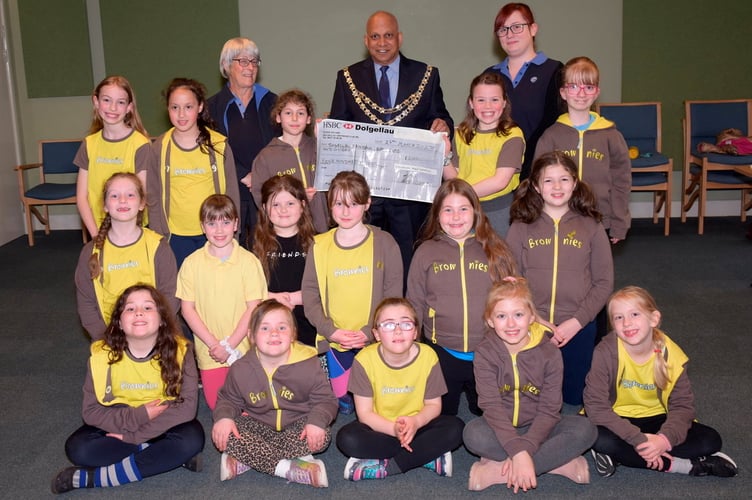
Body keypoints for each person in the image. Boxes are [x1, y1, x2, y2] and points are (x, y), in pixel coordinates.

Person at [329, 10, 454, 272]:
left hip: (410, 194)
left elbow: (441, 116)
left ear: (399, 38)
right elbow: (341, 128)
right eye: (375, 36)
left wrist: (443, 125)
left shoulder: (426, 75)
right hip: (366, 194)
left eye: (388, 36)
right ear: (366, 41)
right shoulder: (347, 77)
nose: (382, 42)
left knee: (411, 262)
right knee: (366, 262)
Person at [51, 285, 204, 494]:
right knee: (78, 448)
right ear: (120, 323)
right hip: (120, 423)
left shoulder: (181, 351)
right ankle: (162, 455)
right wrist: (139, 416)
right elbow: (91, 412)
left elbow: (186, 408)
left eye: (148, 308)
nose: (138, 312)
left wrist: (137, 436)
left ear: (162, 319)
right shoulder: (101, 356)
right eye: (130, 309)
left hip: (163, 424)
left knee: (192, 439)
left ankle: (93, 479)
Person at [584, 286, 738, 478]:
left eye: (634, 314)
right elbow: (596, 407)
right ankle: (685, 466)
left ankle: (620, 456)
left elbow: (682, 407)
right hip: (616, 419)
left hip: (657, 419)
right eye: (618, 317)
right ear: (612, 325)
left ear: (654, 318)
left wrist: (663, 441)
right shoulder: (605, 352)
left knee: (710, 440)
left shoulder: (672, 355)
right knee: (592, 436)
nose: (627, 323)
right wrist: (638, 439)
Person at [464, 277, 596, 492]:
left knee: (586, 429)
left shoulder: (549, 352)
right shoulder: (485, 352)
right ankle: (556, 464)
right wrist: (519, 450)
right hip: (500, 427)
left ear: (532, 317)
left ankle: (501, 471)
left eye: (518, 314)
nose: (511, 324)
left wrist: (523, 451)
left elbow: (550, 409)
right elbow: (491, 407)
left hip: (541, 426)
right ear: (490, 320)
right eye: (501, 316)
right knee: (472, 434)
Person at [506, 151, 613, 406]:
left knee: (575, 398)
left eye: (564, 179)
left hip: (578, 325)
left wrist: (576, 322)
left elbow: (604, 282)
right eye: (548, 180)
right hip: (532, 326)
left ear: (574, 183)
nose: (557, 187)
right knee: (533, 398)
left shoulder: (592, 226)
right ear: (535, 186)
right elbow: (511, 280)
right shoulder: (520, 226)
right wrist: (536, 319)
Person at [406, 178, 517, 416]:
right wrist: (412, 344)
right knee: (443, 415)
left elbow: (516, 300)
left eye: (463, 209)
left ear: (475, 212)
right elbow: (414, 301)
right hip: (443, 352)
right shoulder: (426, 252)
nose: (456, 217)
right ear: (437, 215)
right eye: (448, 210)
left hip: (489, 352)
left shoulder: (495, 250)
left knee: (489, 413)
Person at [302, 170, 403, 414]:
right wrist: (332, 331)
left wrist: (370, 331)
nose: (345, 212)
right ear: (329, 205)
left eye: (354, 204)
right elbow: (310, 296)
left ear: (367, 203)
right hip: (336, 340)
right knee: (345, 405)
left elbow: (393, 296)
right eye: (338, 204)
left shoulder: (385, 242)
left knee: (377, 404)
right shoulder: (319, 244)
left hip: (375, 338)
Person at [211, 299, 337, 487]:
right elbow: (228, 400)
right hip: (258, 424)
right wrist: (223, 418)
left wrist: (316, 423)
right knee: (227, 433)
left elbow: (326, 400)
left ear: (293, 334)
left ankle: (248, 458)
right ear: (251, 336)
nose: (274, 333)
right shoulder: (240, 369)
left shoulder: (309, 363)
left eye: (282, 328)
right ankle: (288, 469)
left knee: (323, 435)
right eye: (265, 328)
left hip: (298, 424)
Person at [337, 297, 464, 481]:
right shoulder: (364, 360)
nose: (397, 330)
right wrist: (394, 429)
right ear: (377, 334)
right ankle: (426, 457)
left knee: (456, 427)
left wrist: (415, 422)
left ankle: (391, 466)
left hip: (419, 426)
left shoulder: (428, 356)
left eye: (406, 324)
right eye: (388, 325)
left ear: (415, 332)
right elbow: (365, 414)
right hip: (380, 427)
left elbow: (434, 405)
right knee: (347, 438)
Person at [177, 194, 267, 410]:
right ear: (202, 226)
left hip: (244, 350)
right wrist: (215, 345)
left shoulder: (248, 261)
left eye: (226, 222)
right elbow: (187, 309)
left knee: (252, 406)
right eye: (211, 223)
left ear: (236, 224)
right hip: (211, 353)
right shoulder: (191, 264)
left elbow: (254, 306)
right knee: (219, 406)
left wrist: (230, 344)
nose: (219, 230)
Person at [535, 56, 631, 243]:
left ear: (596, 93)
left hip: (600, 221)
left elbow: (622, 182)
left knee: (598, 271)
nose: (581, 94)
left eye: (588, 87)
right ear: (563, 92)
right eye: (573, 86)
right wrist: (540, 219)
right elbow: (538, 180)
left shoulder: (611, 135)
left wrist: (620, 222)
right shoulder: (551, 136)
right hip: (559, 220)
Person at [148, 77, 241, 267]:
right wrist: (158, 235)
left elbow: (232, 192)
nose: (181, 114)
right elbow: (153, 195)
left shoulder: (219, 145)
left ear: (199, 107)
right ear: (168, 109)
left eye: (188, 107)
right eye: (175, 107)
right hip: (175, 236)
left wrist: (233, 234)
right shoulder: (159, 147)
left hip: (214, 234)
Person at [75, 172, 178, 341]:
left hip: (155, 334)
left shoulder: (158, 247)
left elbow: (170, 296)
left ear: (142, 203)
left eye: (130, 195)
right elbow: (86, 303)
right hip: (110, 336)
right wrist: (106, 338)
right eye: (114, 195)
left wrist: (153, 333)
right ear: (105, 205)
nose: (122, 200)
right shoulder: (91, 252)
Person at [208, 37, 280, 249]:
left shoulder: (273, 102)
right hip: (231, 193)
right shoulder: (211, 108)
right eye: (243, 61)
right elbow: (211, 150)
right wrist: (242, 174)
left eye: (254, 61)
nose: (250, 67)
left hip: (268, 191)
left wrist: (258, 174)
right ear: (226, 65)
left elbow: (281, 144)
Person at [484, 3, 563, 181]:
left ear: (533, 29)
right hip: (495, 174)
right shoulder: (488, 76)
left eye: (517, 27)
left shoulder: (555, 71)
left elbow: (555, 125)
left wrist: (527, 163)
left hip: (541, 172)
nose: (509, 34)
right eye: (502, 29)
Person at [444, 72, 525, 236]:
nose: (487, 106)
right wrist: (444, 157)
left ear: (504, 103)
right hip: (465, 212)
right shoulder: (460, 133)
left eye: (494, 100)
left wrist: (461, 197)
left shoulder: (513, 135)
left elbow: (500, 181)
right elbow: (454, 178)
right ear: (471, 103)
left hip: (500, 211)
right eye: (481, 100)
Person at [75, 75, 151, 238]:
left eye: (121, 102)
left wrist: (125, 237)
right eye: (107, 100)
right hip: (98, 229)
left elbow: (141, 196)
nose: (113, 108)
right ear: (96, 102)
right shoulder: (89, 144)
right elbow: (82, 197)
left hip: (132, 231)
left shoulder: (140, 144)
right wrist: (96, 235)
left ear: (129, 107)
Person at [252, 175, 319, 350]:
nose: (283, 210)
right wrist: (273, 298)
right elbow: (243, 287)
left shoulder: (319, 243)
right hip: (269, 332)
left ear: (303, 205)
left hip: (311, 330)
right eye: (275, 204)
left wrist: (298, 297)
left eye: (290, 203)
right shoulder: (252, 244)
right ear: (265, 208)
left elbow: (329, 287)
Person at [251, 89, 329, 233]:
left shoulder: (319, 148)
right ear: (278, 117)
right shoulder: (266, 157)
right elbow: (260, 196)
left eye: (300, 113)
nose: (294, 118)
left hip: (320, 227)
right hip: (286, 231)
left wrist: (325, 140)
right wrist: (294, 198)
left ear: (309, 119)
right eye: (288, 113)